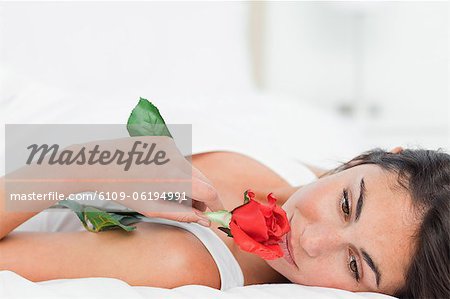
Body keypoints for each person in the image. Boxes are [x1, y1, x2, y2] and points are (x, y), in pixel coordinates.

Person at [0, 137, 448, 299]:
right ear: (360, 160)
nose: (313, 239)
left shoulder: (181, 262)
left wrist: (88, 164)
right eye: (347, 205)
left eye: (354, 265)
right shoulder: (301, 173)